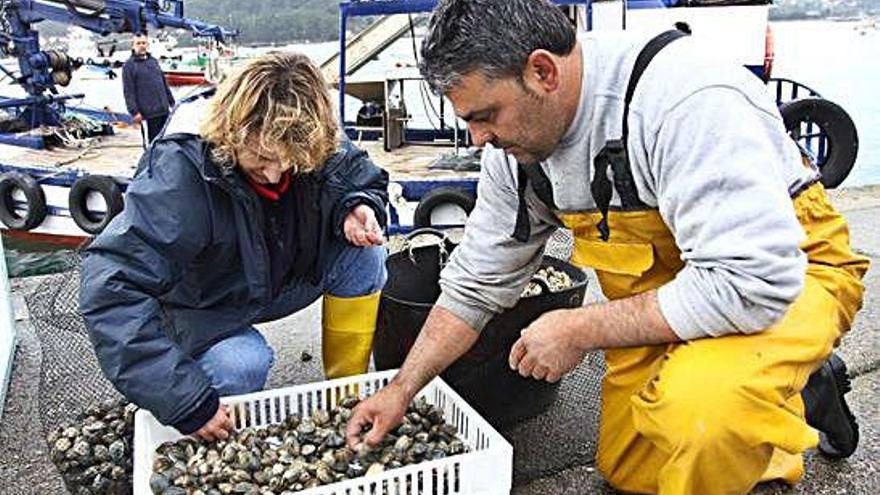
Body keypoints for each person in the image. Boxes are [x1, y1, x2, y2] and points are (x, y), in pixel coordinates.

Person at [345, 1, 869, 494]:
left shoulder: (684, 100)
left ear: (542, 72)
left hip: (786, 275)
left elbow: (751, 284)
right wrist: (401, 390)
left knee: (700, 418)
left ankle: (779, 389)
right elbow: (475, 285)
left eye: (485, 115)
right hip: (672, 292)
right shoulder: (514, 152)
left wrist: (579, 327)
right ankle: (790, 389)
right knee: (632, 468)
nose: (479, 139)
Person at [81, 53, 389, 441]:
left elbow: (358, 175)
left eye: (290, 161)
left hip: (275, 280)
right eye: (260, 157)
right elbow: (111, 285)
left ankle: (344, 397)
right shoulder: (181, 170)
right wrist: (186, 401)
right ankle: (205, 419)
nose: (275, 172)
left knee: (366, 252)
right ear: (232, 131)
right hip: (204, 302)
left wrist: (355, 206)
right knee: (241, 365)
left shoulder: (306, 132)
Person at [121, 32, 175, 144]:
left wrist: (172, 102)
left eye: (144, 43)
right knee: (152, 144)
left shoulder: (153, 61)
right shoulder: (129, 66)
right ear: (133, 46)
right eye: (138, 43)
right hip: (147, 114)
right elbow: (128, 91)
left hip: (164, 110)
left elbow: (163, 83)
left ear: (147, 44)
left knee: (165, 141)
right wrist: (134, 112)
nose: (141, 46)